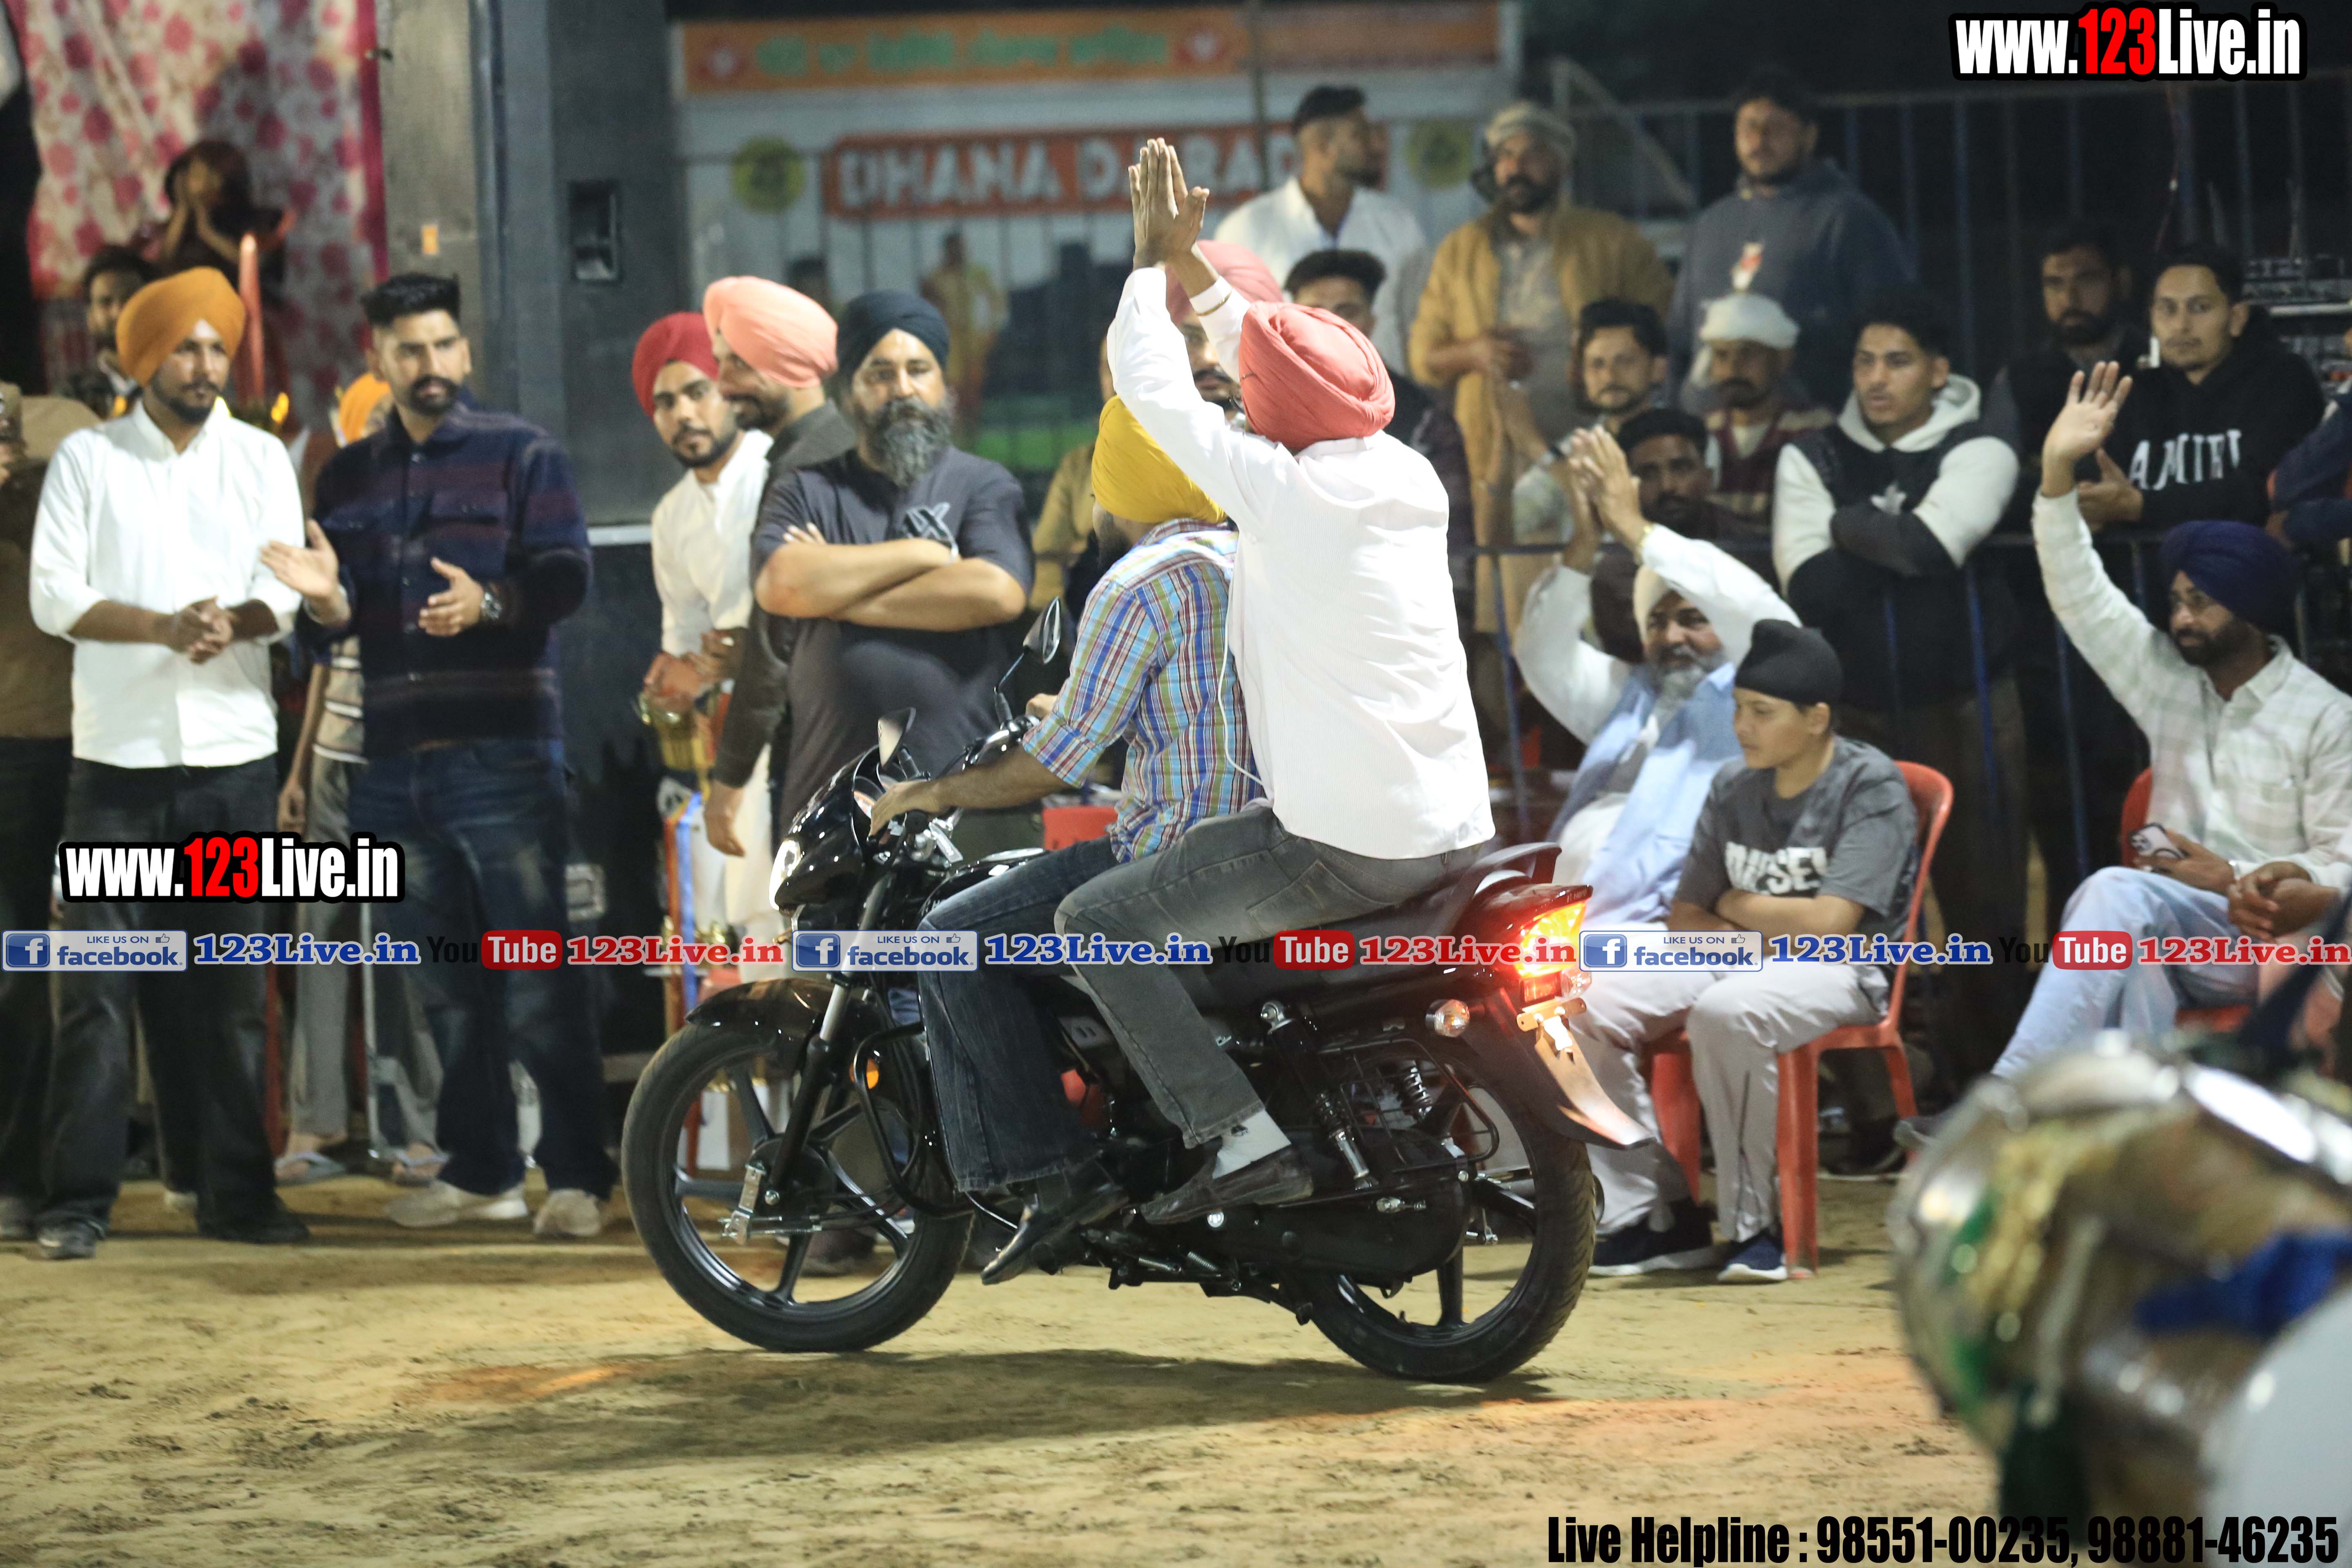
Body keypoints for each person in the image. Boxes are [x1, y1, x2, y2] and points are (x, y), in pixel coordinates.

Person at [1056, 138, 1490, 1228]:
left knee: (1092, 923)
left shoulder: (1279, 494)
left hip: (1345, 845)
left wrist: (1147, 263)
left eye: (1251, 391)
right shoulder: (1404, 473)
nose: (1242, 398)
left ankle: (1237, 1138)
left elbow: (1152, 387)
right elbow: (1287, 349)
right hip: (1451, 825)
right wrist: (1194, 266)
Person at [868, 397, 1254, 1282]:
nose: (1093, 501)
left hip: (1165, 856)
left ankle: (1052, 1177)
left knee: (952, 935)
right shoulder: (1252, 558)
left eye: (1099, 479)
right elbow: (1198, 716)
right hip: (1263, 846)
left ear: (1123, 484)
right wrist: (1084, 716)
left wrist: (932, 792)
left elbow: (1054, 765)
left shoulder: (1136, 582)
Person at [288, 272, 616, 1238]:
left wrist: (492, 602)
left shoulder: (523, 452)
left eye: (441, 345)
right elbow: (329, 633)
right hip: (391, 765)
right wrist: (324, 604)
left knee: (537, 974)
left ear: (464, 352)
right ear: (378, 359)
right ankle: (482, 1173)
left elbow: (568, 576)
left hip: (503, 757)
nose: (427, 364)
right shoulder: (346, 478)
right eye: (407, 349)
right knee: (441, 983)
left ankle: (578, 1177)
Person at [23, 270, 318, 1259]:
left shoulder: (260, 457)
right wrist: (163, 626)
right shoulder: (90, 460)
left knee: (230, 995)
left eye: (216, 348)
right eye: (185, 348)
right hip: (116, 767)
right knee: (96, 994)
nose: (204, 365)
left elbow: (285, 591)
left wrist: (236, 621)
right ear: (145, 357)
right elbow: (54, 596)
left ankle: (238, 1196)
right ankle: (78, 1203)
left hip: (233, 762)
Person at [1953, 365, 2352, 1093]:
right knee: (2128, 946)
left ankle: (2009, 1094)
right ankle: (2133, 1135)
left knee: (2116, 895)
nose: (2181, 618)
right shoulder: (2170, 682)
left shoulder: (2327, 717)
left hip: (2275, 947)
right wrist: (2056, 471)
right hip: (2173, 934)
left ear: (2251, 607)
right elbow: (2079, 593)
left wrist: (2235, 875)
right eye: (2176, 600)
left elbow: (2343, 867)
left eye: (2201, 602)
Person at [1570, 621, 1917, 1281]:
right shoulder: (1733, 784)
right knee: (1571, 991)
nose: (1742, 727)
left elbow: (1830, 925)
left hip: (1842, 968)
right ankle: (1655, 1213)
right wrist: (1754, 929)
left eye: (1762, 712)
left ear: (1817, 719)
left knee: (1727, 1012)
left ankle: (1758, 1226)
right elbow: (1684, 917)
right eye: (1738, 709)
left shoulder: (1869, 785)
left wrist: (1736, 903)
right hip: (1738, 955)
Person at [1774, 288, 2030, 1090]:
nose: (1877, 378)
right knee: (1853, 911)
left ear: (1938, 370)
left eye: (1898, 361)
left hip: (1968, 704)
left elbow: (1929, 547)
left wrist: (1848, 525)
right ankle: (1876, 1107)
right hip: (1851, 715)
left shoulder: (1981, 445)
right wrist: (1895, 541)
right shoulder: (1811, 455)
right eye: (1865, 362)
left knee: (1985, 913)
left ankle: (1995, 1088)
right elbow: (1810, 587)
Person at [750, 287, 1031, 826]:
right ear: (848, 393)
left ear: (943, 384)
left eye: (918, 370)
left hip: (963, 801)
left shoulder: (983, 485)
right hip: (829, 807)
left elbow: (996, 592)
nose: (902, 389)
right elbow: (781, 584)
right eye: (880, 374)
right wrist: (924, 553)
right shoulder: (806, 490)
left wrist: (834, 596)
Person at [1410, 100, 1673, 639]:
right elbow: (1424, 358)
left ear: (1562, 163)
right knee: (1503, 610)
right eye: (1505, 154)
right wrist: (1474, 352)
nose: (1516, 166)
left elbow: (1661, 321)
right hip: (1498, 453)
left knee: (1602, 604)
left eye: (1532, 153)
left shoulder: (1611, 240)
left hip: (1594, 444)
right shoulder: (1462, 249)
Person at [1983, 222, 2150, 920]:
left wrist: (2132, 504)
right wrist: (2067, 497)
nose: (2070, 296)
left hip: (2147, 605)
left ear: (2120, 282)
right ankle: (2071, 957)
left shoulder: (2154, 364)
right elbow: (1991, 486)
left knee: (2145, 797)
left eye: (2085, 279)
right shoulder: (2022, 378)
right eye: (2055, 283)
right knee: (2061, 807)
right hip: (2046, 622)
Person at [633, 312, 781, 963]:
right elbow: (688, 644)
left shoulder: (779, 468)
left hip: (818, 716)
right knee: (758, 922)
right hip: (743, 735)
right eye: (665, 403)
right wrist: (675, 681)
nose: (684, 414)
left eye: (698, 391)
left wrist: (750, 647)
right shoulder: (671, 517)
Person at [696, 276, 849, 864]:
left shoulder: (804, 468)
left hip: (821, 753)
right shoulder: (833, 447)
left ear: (790, 361)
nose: (723, 383)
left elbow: (773, 645)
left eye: (740, 363)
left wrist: (729, 780)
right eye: (721, 363)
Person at [0, 381, 98, 1244]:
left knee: (61, 970)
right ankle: (20, 1175)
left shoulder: (72, 430)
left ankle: (45, 1176)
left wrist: (25, 484)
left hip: (77, 745)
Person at [1667, 68, 1915, 405]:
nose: (1759, 139)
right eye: (1749, 126)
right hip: (1708, 428)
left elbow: (1894, 331)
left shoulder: (1847, 220)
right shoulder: (1710, 224)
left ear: (1809, 137)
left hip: (1809, 422)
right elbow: (1680, 339)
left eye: (1776, 128)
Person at [2081, 242, 2324, 532]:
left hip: (2245, 559)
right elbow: (2093, 484)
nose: (2181, 325)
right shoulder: (2132, 392)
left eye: (2200, 308)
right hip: (2137, 562)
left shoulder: (2283, 381)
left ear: (2236, 318)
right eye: (2167, 309)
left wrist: (2141, 507)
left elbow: (2265, 492)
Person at [1283, 249, 1473, 575]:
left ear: (1370, 322)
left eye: (1347, 312)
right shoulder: (1266, 410)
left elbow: (1451, 543)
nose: (1331, 326)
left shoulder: (1421, 417)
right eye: (1314, 313)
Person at [1215, 84, 1430, 370]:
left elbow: (1421, 327)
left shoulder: (1398, 224)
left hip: (1384, 393)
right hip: (1287, 392)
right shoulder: (1247, 228)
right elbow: (1226, 330)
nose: (1376, 145)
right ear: (1323, 148)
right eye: (1359, 135)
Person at [1690, 290, 1830, 525]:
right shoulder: (1700, 432)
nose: (1733, 369)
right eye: (1722, 355)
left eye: (1747, 355)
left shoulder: (1815, 429)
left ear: (1782, 360)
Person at [1029, 336, 1116, 611]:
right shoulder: (1079, 465)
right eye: (1109, 368)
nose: (1118, 381)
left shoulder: (1189, 457)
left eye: (1130, 365)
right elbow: (1046, 558)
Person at [151, 141, 286, 298]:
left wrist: (208, 232)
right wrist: (182, 211)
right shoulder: (181, 225)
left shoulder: (258, 222)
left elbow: (258, 267)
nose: (194, 185)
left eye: (205, 177)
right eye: (192, 175)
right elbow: (163, 267)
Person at [920, 232, 1004, 438]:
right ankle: (955, 430)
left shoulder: (976, 273)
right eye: (954, 248)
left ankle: (973, 430)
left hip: (972, 337)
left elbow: (996, 301)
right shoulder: (936, 277)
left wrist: (992, 329)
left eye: (961, 248)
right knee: (953, 386)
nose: (958, 253)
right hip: (949, 337)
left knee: (973, 386)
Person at [65, 246, 156, 412]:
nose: (118, 313)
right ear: (90, 315)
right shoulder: (71, 394)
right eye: (105, 302)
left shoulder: (176, 386)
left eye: (130, 299)